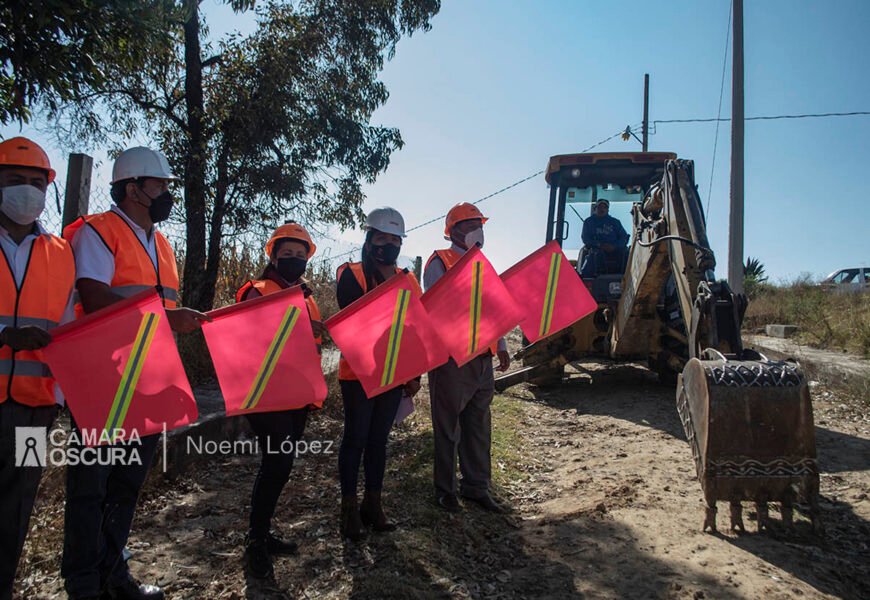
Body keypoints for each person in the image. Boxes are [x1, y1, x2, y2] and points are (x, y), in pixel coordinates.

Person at [61, 147, 209, 600]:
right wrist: (167, 319)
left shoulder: (161, 243)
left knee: (127, 484)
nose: (167, 194)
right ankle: (84, 585)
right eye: (159, 185)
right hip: (104, 377)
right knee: (91, 488)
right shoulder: (98, 233)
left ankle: (113, 574)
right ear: (132, 188)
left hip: (147, 376)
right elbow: (93, 293)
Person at [0, 137, 75, 600]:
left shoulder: (60, 253)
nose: (26, 190)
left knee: (18, 506)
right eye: (14, 181)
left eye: (35, 182)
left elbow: (68, 329)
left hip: (37, 411)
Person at [234, 222, 323, 578]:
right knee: (277, 463)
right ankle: (256, 542)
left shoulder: (307, 295)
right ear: (273, 256)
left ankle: (261, 534)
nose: (294, 259)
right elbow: (251, 335)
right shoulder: (257, 290)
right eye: (287, 254)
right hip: (268, 394)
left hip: (297, 392)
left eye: (300, 255)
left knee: (280, 465)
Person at [334, 207, 421, 541]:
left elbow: (414, 328)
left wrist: (414, 375)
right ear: (369, 239)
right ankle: (348, 510)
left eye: (394, 239)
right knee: (355, 439)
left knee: (378, 442)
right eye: (381, 238)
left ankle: (373, 505)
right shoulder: (351, 274)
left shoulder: (408, 279)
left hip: (394, 374)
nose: (387, 245)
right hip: (359, 373)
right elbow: (354, 322)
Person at [423, 202, 510, 514]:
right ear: (454, 230)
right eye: (471, 224)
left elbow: (493, 308)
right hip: (452, 359)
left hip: (483, 359)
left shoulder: (483, 263)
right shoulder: (439, 261)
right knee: (448, 428)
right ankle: (446, 491)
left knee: (478, 426)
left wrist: (500, 344)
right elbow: (436, 309)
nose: (478, 229)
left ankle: (476, 487)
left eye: (479, 223)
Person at [579, 199, 629, 277]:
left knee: (626, 254)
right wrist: (599, 245)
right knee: (594, 256)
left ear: (607, 210)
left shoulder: (615, 222)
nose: (602, 209)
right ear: (595, 208)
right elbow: (586, 238)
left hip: (615, 251)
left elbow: (624, 238)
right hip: (596, 250)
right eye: (599, 207)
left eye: (604, 207)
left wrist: (614, 246)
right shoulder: (589, 222)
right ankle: (587, 279)